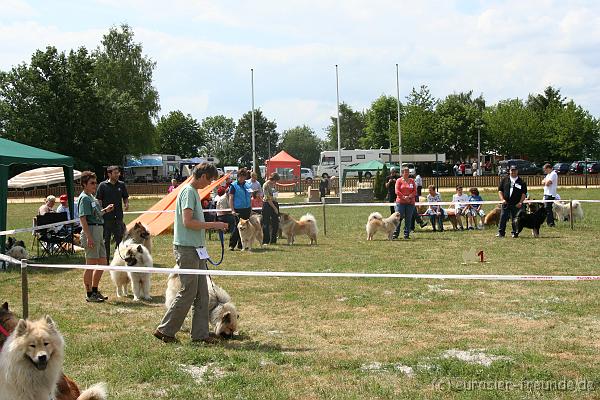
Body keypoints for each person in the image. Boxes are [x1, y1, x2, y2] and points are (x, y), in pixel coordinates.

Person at [154, 163, 229, 344]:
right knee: (189, 291)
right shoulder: (188, 192)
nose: (209, 183)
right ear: (202, 176)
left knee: (203, 293)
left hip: (196, 249)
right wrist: (214, 225)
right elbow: (187, 222)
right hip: (187, 249)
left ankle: (200, 334)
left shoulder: (194, 192)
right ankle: (165, 330)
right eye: (210, 179)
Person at [78, 171, 114, 303]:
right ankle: (89, 293)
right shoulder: (84, 198)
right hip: (91, 231)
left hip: (98, 230)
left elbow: (96, 214)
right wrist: (89, 237)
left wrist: (105, 210)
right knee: (91, 264)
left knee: (103, 262)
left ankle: (94, 290)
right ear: (84, 184)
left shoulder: (91, 197)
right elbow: (83, 219)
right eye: (92, 183)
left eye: (95, 182)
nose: (95, 185)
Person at [96, 165, 129, 261]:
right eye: (115, 173)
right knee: (106, 240)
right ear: (109, 174)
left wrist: (126, 203)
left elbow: (125, 197)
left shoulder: (121, 185)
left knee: (119, 239)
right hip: (106, 218)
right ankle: (105, 261)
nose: (118, 174)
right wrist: (102, 211)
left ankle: (118, 259)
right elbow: (99, 200)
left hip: (118, 217)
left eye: (118, 172)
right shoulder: (102, 185)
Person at [497, 165, 527, 238]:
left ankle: (515, 233)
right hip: (506, 203)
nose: (513, 172)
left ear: (517, 171)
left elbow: (524, 193)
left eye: (515, 170)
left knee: (515, 219)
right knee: (503, 218)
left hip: (516, 204)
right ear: (509, 171)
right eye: (512, 170)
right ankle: (501, 233)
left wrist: (520, 202)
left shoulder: (522, 182)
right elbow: (500, 191)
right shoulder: (504, 180)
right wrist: (502, 199)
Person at [228, 168, 252, 251]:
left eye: (243, 177)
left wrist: (251, 208)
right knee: (237, 227)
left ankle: (241, 245)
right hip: (238, 209)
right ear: (237, 177)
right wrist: (232, 210)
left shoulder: (248, 185)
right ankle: (232, 245)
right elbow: (231, 198)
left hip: (247, 209)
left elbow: (249, 197)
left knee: (246, 228)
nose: (242, 178)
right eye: (240, 177)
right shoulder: (233, 185)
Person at [393, 167, 417, 240]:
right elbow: (397, 191)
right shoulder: (399, 181)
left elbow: (415, 191)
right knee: (398, 218)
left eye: (408, 172)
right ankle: (395, 234)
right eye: (405, 172)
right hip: (400, 202)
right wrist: (404, 197)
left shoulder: (412, 181)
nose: (406, 173)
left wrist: (409, 197)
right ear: (402, 173)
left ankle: (406, 234)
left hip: (410, 202)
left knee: (408, 219)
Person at [262, 172, 280, 245]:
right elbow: (268, 198)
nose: (276, 182)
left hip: (274, 203)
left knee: (275, 223)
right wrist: (274, 208)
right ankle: (266, 241)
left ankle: (273, 240)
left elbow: (275, 195)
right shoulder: (266, 185)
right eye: (275, 180)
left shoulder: (274, 185)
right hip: (267, 204)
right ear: (272, 179)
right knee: (266, 223)